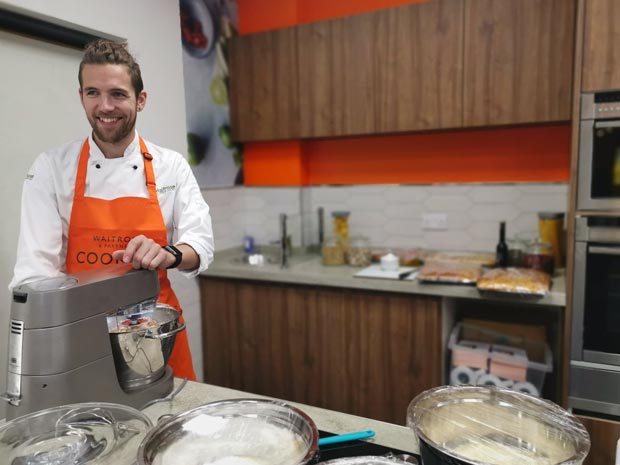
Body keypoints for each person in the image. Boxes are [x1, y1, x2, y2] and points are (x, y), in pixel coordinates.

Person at [9, 39, 214, 381]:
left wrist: (168, 254)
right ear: (81, 97)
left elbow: (201, 244)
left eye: (118, 94)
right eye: (93, 93)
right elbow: (35, 274)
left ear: (141, 100)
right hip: (81, 335)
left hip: (156, 335)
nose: (105, 106)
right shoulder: (51, 169)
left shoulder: (171, 166)